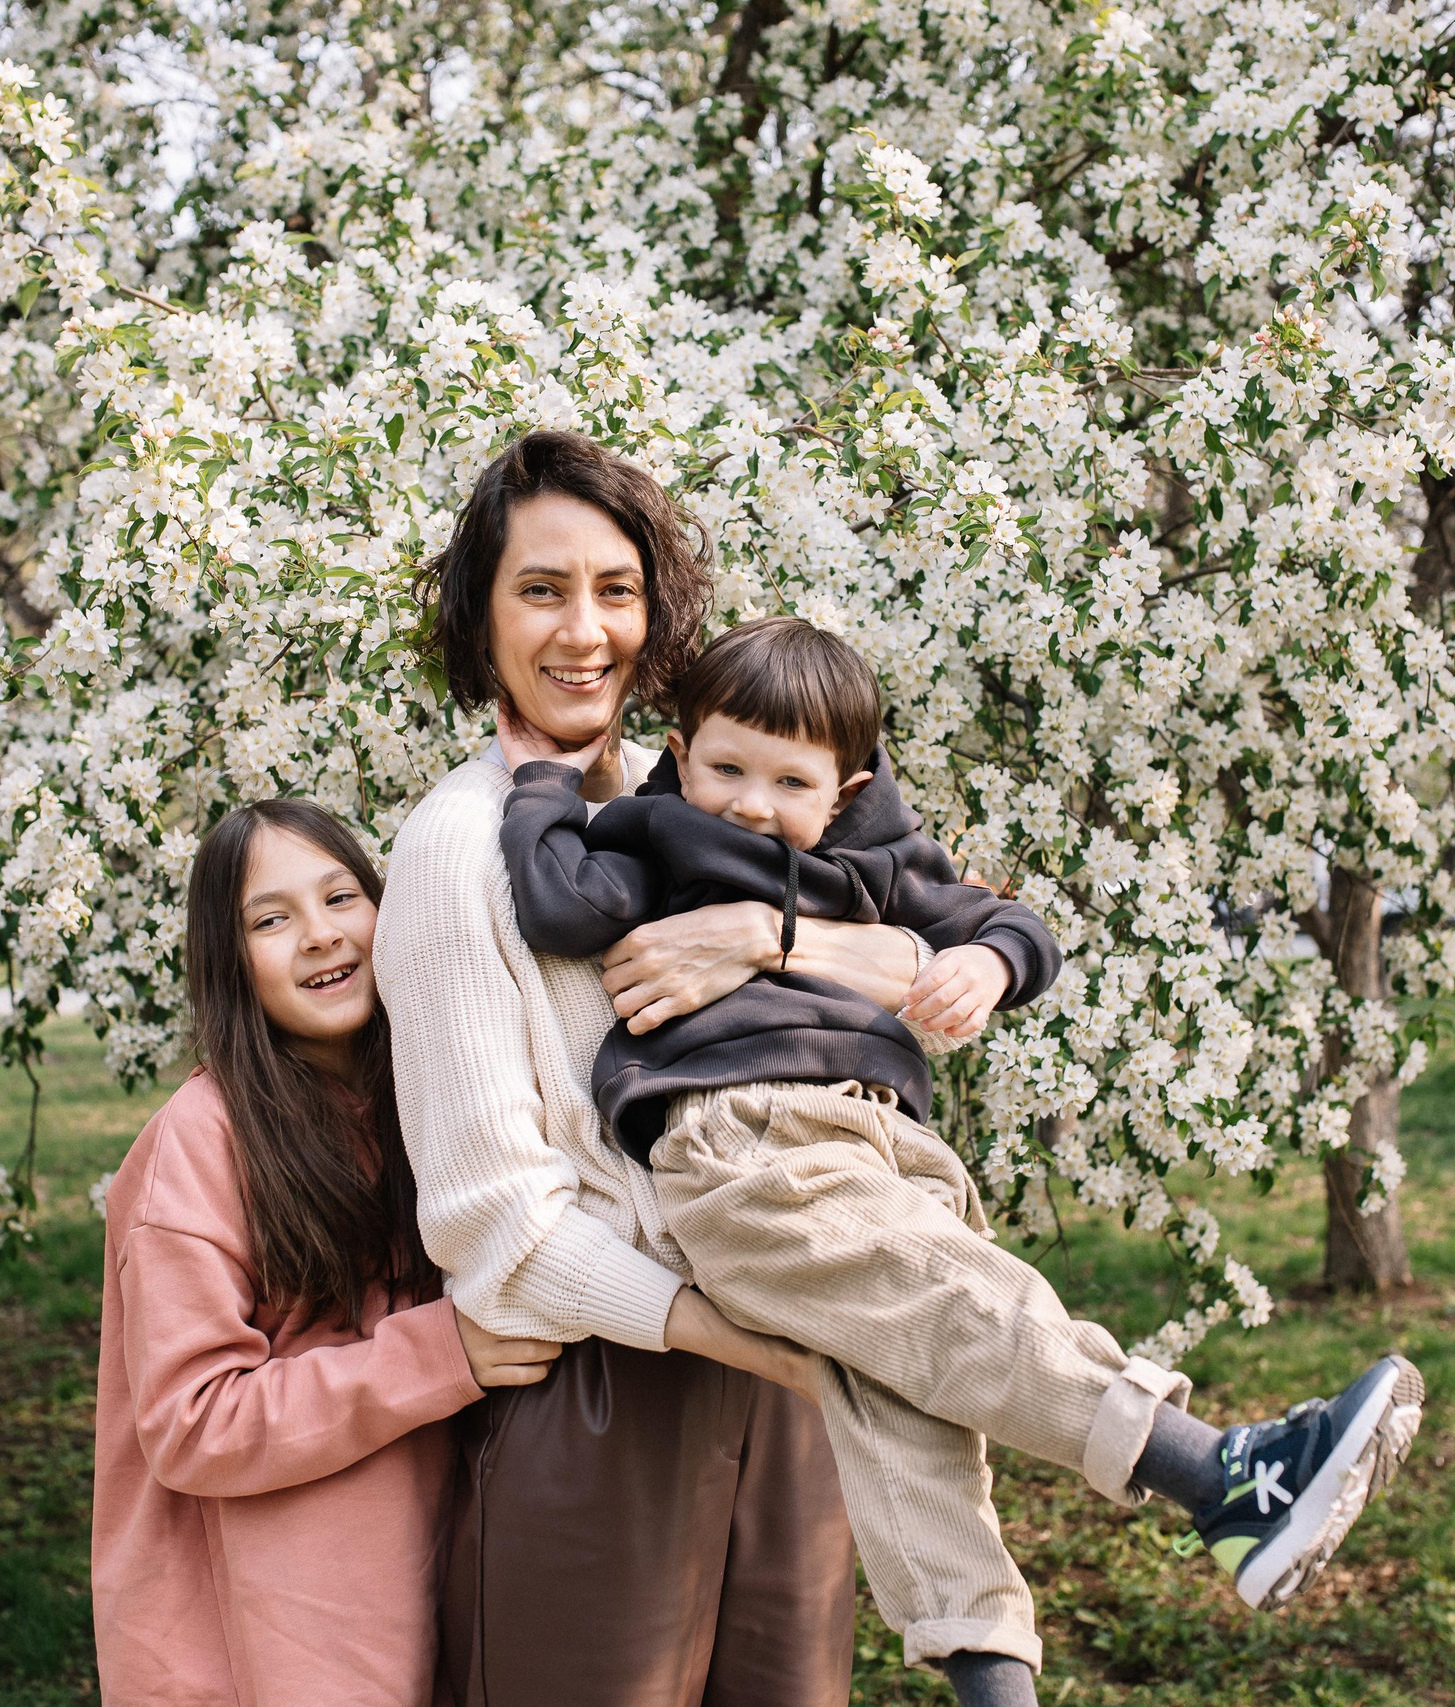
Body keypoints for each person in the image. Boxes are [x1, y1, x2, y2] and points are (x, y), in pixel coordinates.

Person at [495, 614, 1427, 1707]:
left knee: (911, 1415)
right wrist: (543, 790)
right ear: (682, 751)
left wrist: (985, 963)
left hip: (887, 1143)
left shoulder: (873, 861)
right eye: (724, 766)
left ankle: (993, 1683)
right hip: (745, 1138)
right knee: (964, 1310)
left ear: (845, 789)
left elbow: (1006, 923)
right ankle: (1213, 1472)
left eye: (787, 781)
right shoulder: (658, 840)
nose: (749, 802)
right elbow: (558, 900)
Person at [375, 429, 966, 1707]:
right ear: (481, 618)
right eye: (541, 589)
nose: (583, 630)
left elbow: (921, 957)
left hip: (792, 1361)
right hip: (609, 1384)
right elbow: (497, 1228)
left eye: (615, 589)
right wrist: (736, 1336)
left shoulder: (716, 795)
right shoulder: (457, 851)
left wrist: (765, 932)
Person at [91, 799, 565, 1707]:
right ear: (229, 962)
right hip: (257, 1643)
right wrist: (443, 1352)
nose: (319, 935)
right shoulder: (198, 1144)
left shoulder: (433, 1095)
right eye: (271, 919)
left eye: (340, 896)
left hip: (420, 1585)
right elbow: (192, 1422)